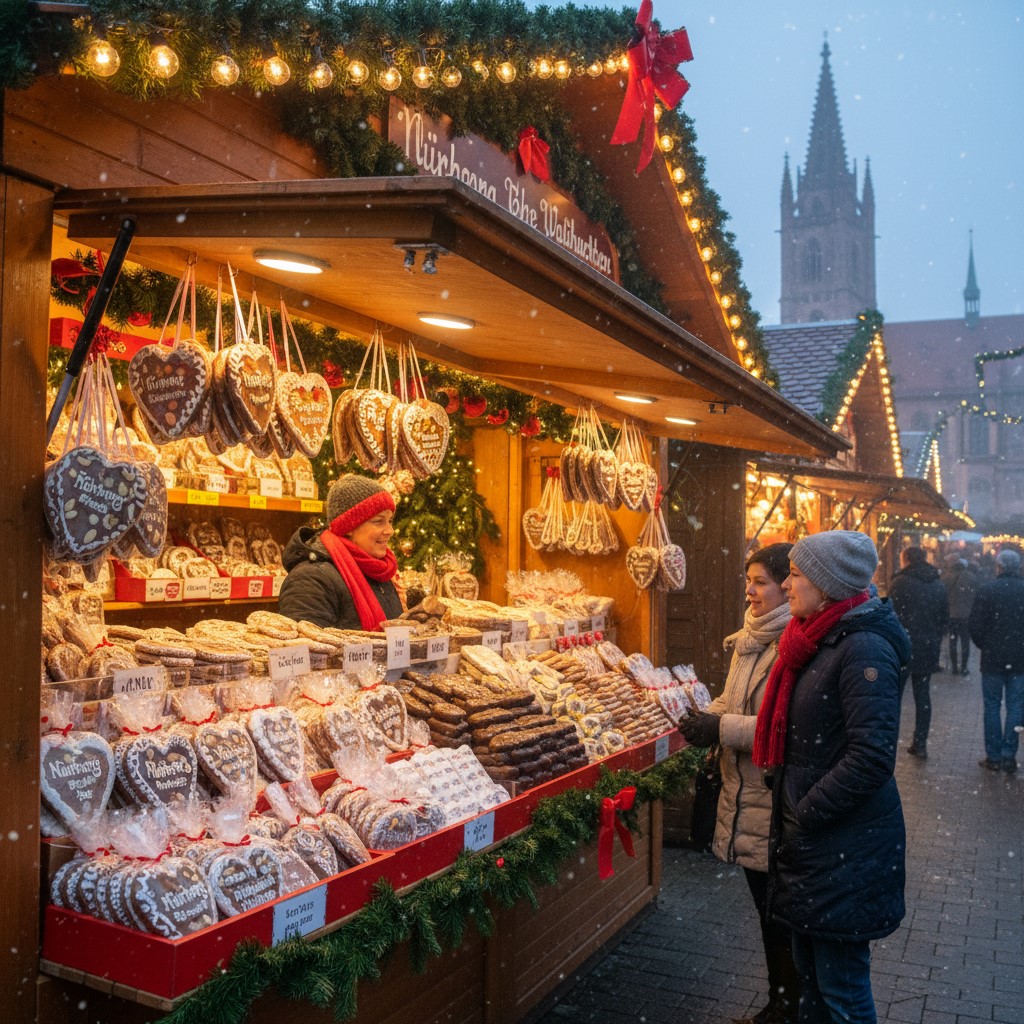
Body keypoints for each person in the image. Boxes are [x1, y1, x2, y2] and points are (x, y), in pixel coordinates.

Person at [754, 531, 910, 1024]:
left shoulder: (862, 647)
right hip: (819, 848)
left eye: (796, 574)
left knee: (841, 991)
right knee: (814, 986)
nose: (788, 583)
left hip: (841, 844)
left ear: (827, 585)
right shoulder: (816, 638)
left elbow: (870, 757)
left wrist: (807, 810)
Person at [680, 543, 799, 1024]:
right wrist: (701, 717)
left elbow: (783, 727)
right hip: (744, 793)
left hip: (770, 800)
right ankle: (781, 1004)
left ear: (786, 586)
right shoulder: (751, 638)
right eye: (747, 581)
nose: (749, 591)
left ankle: (788, 1007)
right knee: (766, 912)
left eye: (760, 582)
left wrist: (720, 730)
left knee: (780, 918)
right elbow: (734, 699)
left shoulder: (793, 643)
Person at [278, 474, 403, 629]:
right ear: (349, 527)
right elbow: (305, 648)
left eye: (390, 520)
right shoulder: (310, 579)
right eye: (379, 521)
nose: (390, 530)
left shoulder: (379, 570)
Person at [967, 548, 1024, 772]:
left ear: (998, 567)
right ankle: (1009, 754)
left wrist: (987, 645)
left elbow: (975, 626)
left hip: (992, 658)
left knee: (992, 706)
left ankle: (994, 756)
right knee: (1015, 706)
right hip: (1019, 658)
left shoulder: (986, 590)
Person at [889, 546, 948, 759]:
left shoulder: (900, 583)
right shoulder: (938, 584)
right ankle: (920, 742)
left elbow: (890, 616)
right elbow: (944, 619)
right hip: (927, 647)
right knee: (922, 695)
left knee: (893, 696)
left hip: (902, 646)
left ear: (906, 560)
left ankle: (888, 741)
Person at [942, 554, 980, 675]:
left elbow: (942, 596)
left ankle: (954, 667)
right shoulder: (972, 577)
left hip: (951, 615)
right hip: (966, 615)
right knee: (965, 642)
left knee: (952, 641)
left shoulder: (946, 577)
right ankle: (964, 667)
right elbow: (977, 596)